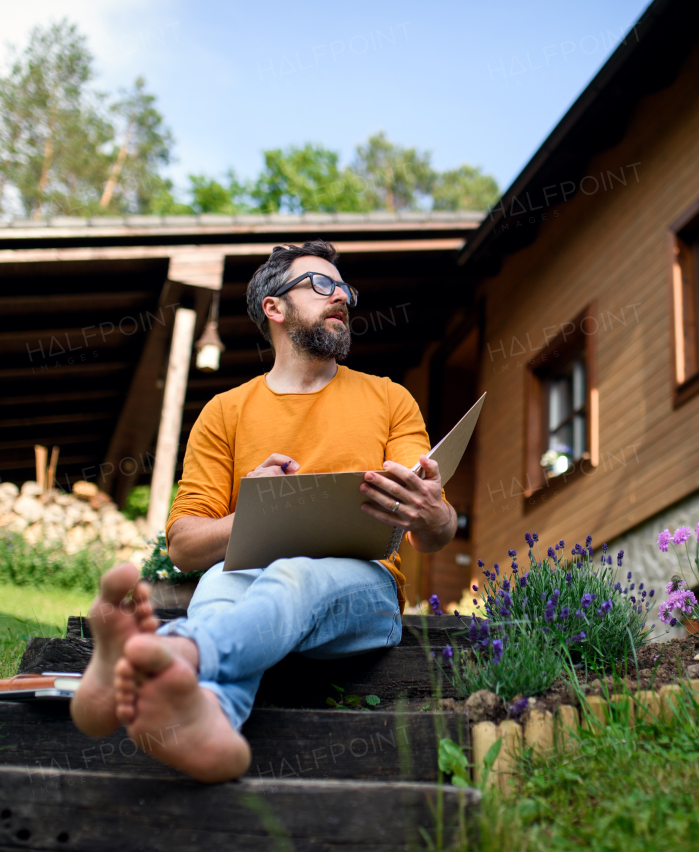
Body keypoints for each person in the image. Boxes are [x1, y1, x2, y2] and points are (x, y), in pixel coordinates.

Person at [69, 240, 456, 782]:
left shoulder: (390, 399)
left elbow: (433, 534)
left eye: (344, 288)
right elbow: (183, 547)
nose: (340, 296)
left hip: (365, 596)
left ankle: (172, 651)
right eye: (321, 285)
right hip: (249, 583)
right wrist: (249, 511)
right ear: (274, 308)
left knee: (292, 574)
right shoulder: (224, 412)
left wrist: (434, 514)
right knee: (217, 590)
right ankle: (209, 727)